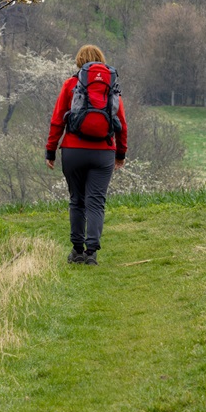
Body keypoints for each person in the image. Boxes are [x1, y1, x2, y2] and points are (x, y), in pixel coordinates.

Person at [46, 44, 128, 265]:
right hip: (103, 152)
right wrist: (120, 153)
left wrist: (51, 151)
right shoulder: (111, 87)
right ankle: (92, 253)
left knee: (77, 201)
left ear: (79, 61)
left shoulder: (71, 84)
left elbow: (57, 120)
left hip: (73, 150)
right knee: (96, 202)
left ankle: (77, 251)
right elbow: (121, 123)